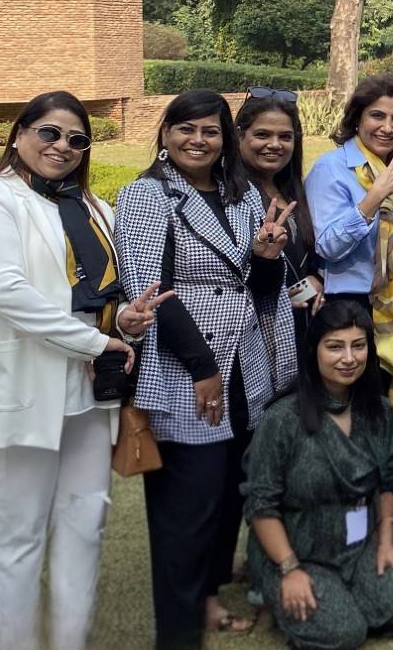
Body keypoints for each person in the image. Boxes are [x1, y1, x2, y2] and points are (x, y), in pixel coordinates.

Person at [0, 92, 165, 650]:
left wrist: (126, 323)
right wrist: (97, 342)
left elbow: (105, 295)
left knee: (84, 526)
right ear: (19, 134)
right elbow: (7, 292)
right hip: (17, 394)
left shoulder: (96, 209)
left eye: (76, 140)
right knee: (15, 539)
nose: (62, 147)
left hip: (89, 399)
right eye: (49, 133)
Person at [115, 89, 299, 646]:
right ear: (165, 135)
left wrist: (267, 257)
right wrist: (201, 367)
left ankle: (209, 598)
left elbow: (261, 290)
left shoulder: (239, 196)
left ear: (225, 141)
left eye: (211, 131)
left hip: (247, 365)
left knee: (228, 494)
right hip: (184, 366)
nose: (198, 140)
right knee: (185, 511)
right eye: (186, 129)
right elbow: (148, 290)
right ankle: (178, 632)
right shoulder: (148, 195)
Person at [243, 302, 393, 650]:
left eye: (358, 345)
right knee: (344, 633)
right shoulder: (282, 419)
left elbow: (388, 482)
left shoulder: (379, 410)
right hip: (297, 548)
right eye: (335, 346)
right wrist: (289, 569)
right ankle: (278, 589)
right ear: (314, 351)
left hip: (358, 544)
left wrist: (386, 541)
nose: (349, 358)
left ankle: (342, 594)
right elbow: (261, 505)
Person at [304, 77, 393, 481]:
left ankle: (388, 497)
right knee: (353, 408)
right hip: (350, 307)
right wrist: (370, 200)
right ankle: (347, 493)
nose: (387, 126)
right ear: (357, 119)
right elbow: (327, 247)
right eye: (377, 115)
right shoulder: (330, 169)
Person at [238, 87, 322, 332]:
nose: (274, 144)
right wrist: (297, 295)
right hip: (257, 338)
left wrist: (318, 280)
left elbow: (309, 271)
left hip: (303, 334)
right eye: (262, 134)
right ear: (240, 136)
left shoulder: (297, 193)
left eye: (285, 137)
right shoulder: (230, 199)